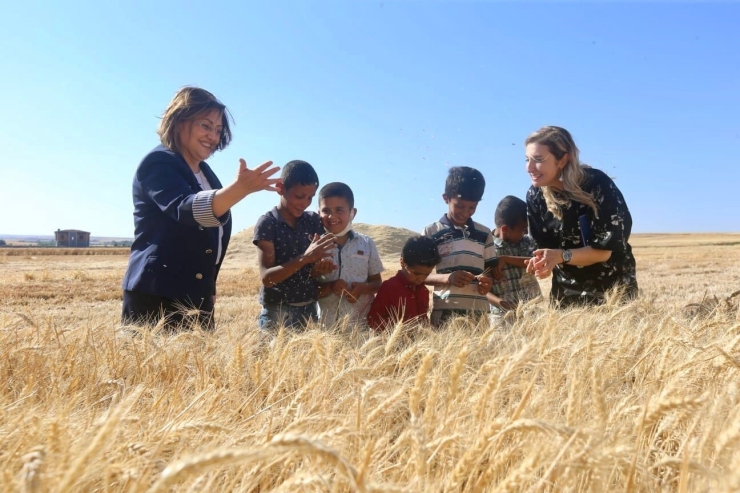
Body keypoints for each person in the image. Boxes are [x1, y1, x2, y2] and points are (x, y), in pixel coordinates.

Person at [121, 86, 280, 331]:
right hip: (158, 296)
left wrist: (208, 286)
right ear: (178, 121)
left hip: (196, 297)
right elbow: (185, 209)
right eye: (205, 125)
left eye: (218, 130)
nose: (213, 136)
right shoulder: (159, 163)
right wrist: (240, 189)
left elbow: (210, 238)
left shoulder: (206, 176)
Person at [524, 125, 638, 308]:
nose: (529, 167)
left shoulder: (596, 185)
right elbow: (545, 249)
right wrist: (543, 263)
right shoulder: (535, 196)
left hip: (612, 291)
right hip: (566, 293)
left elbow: (603, 251)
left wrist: (560, 256)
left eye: (538, 159)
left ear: (562, 160)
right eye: (527, 159)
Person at [253, 160, 337, 330]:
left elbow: (313, 268)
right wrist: (305, 258)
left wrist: (320, 267)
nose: (305, 203)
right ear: (280, 188)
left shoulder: (312, 221)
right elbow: (267, 278)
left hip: (310, 309)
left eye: (310, 198)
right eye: (299, 196)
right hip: (277, 311)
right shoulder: (268, 224)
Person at [421, 166, 496, 327]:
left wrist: (487, 283)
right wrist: (448, 278)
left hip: (479, 313)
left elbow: (491, 273)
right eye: (460, 206)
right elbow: (419, 276)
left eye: (472, 208)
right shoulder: (431, 232)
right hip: (445, 312)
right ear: (446, 198)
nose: (465, 212)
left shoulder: (485, 234)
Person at [315, 182, 384, 330]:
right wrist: (330, 286)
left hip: (360, 328)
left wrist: (362, 288)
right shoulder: (314, 246)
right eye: (326, 210)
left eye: (339, 210)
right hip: (324, 330)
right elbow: (307, 289)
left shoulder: (366, 244)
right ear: (318, 212)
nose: (332, 216)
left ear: (353, 212)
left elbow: (377, 283)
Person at [367, 235, 441, 331]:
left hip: (417, 344)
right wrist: (403, 328)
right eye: (416, 273)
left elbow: (422, 320)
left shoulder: (424, 291)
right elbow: (373, 319)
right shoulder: (388, 288)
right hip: (392, 343)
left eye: (426, 274)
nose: (421, 279)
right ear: (402, 262)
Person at [487, 195, 543, 320]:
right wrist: (501, 302)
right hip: (502, 316)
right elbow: (481, 288)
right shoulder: (486, 249)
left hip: (532, 312)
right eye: (523, 229)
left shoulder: (526, 242)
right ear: (505, 229)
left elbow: (535, 263)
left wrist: (506, 259)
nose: (526, 233)